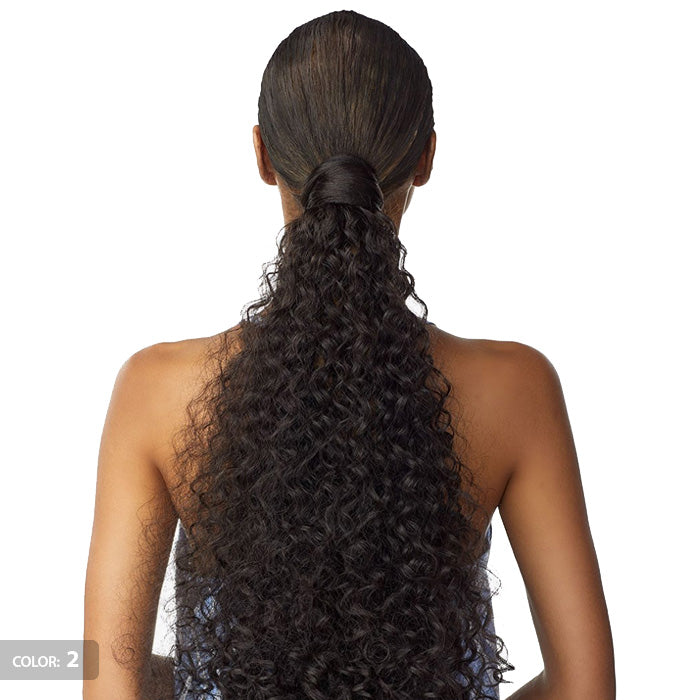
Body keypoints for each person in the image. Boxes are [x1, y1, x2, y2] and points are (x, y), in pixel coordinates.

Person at [83, 10, 615, 700]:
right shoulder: (515, 389)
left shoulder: (156, 392)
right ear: (425, 158)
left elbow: (105, 678)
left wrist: (196, 674)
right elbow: (586, 685)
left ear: (262, 155)